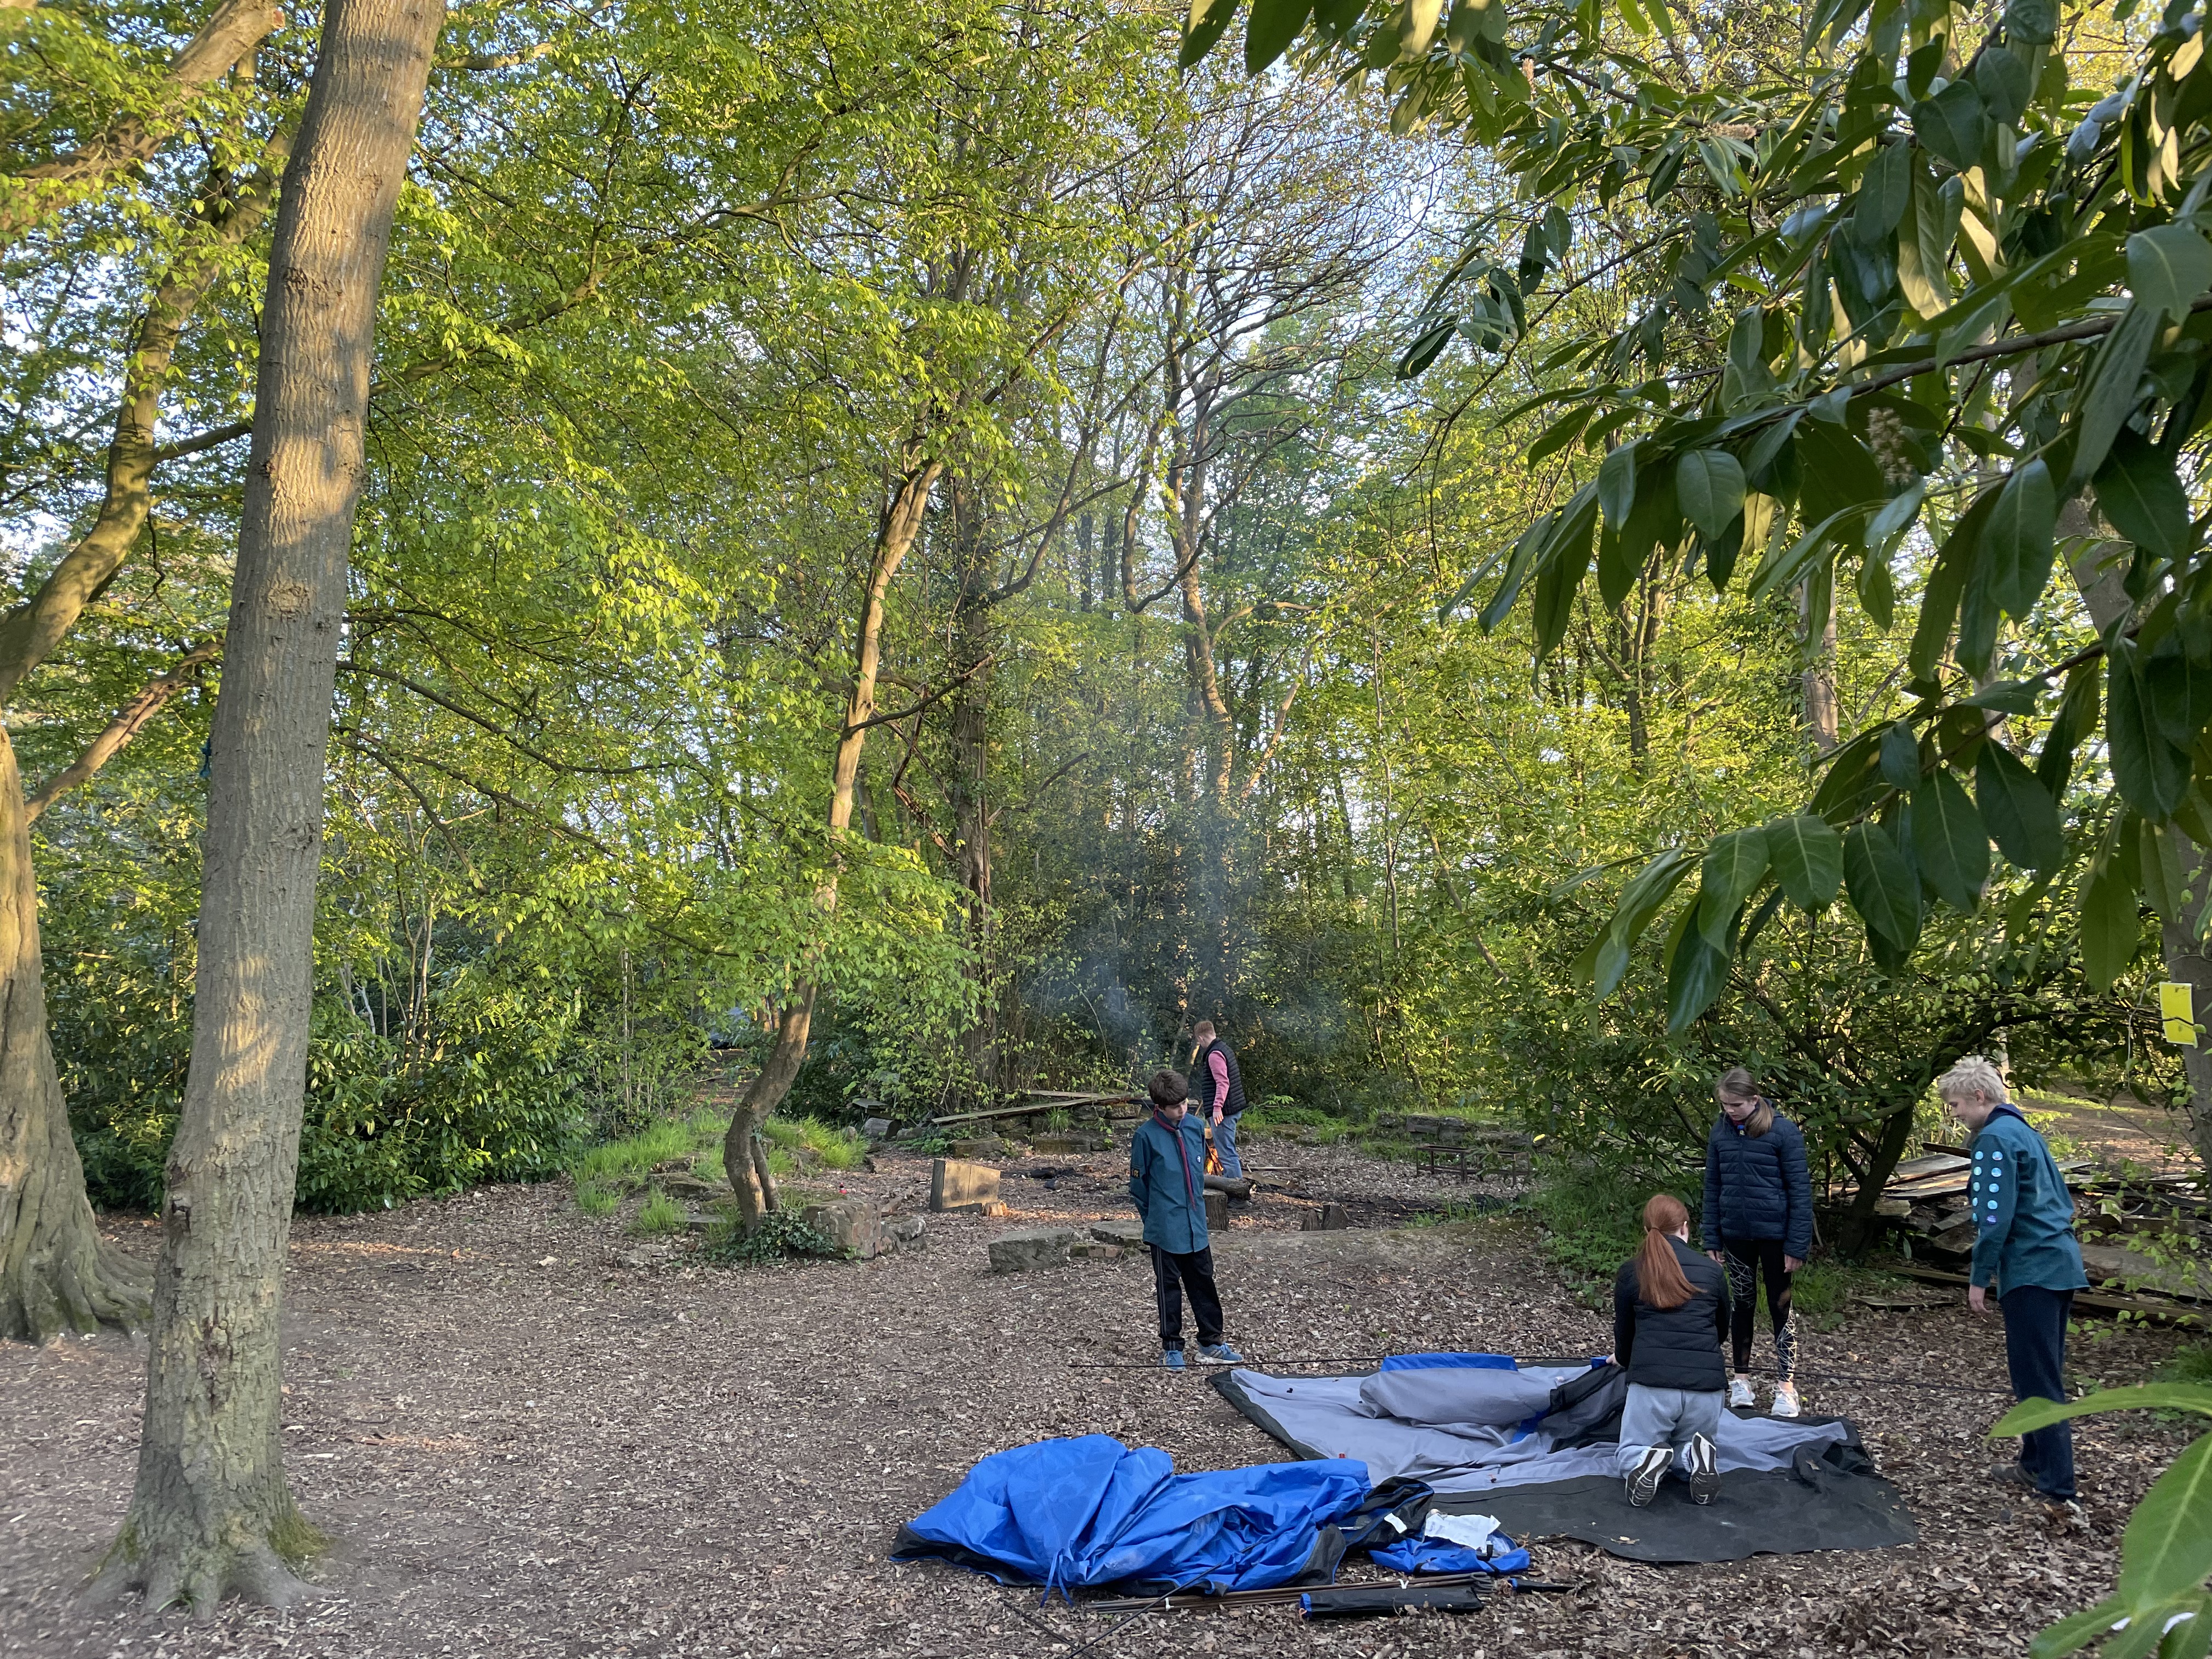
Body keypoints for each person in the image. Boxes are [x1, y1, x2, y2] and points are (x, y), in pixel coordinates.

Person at [1939, 1055, 2089, 1505]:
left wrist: (1979, 1276)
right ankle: (2033, 1462)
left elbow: (1993, 1217)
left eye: (1957, 1105)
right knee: (2035, 1372)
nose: (1956, 1114)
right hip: (2059, 1265)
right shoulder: (2026, 1132)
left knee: (2040, 1381)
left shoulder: (1994, 1140)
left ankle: (2059, 1487)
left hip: (2032, 1269)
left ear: (1980, 1097)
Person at [1701, 1066, 1814, 1417]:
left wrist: (1797, 1245)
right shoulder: (1720, 1132)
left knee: (1781, 1307)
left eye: (1735, 1104)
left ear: (1754, 1099)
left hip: (1777, 1238)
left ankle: (1786, 1388)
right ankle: (1741, 1381)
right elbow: (1712, 1187)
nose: (1729, 1110)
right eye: (1724, 1105)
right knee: (1742, 1304)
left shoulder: (1783, 1132)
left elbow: (1800, 1192)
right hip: (1736, 1234)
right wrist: (1712, 1236)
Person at [1611, 1193, 1730, 1508]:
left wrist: (1621, 1360)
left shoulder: (1631, 1272)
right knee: (1689, 1443)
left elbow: (1625, 1338)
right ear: (1685, 1228)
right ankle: (1694, 1457)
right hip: (1707, 1389)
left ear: (1647, 1229)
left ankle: (1645, 1458)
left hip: (1653, 1385)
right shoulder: (1712, 1272)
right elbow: (1720, 1332)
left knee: (1629, 1453)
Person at [1128, 1069, 1244, 1372]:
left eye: (1185, 1103)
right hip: (1165, 1228)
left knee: (1204, 1282)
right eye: (1176, 1106)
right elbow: (1139, 1187)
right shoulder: (1145, 1136)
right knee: (1169, 1288)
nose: (1182, 1110)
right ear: (1160, 1107)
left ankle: (1211, 1343)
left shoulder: (1195, 1127)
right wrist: (1154, 1219)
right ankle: (1171, 1348)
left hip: (1197, 1224)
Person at [1190, 1019, 1247, 1180]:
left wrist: (1217, 1108)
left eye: (1198, 1041)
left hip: (1224, 1113)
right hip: (1231, 1109)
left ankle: (1237, 1195)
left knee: (1227, 1154)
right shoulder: (1223, 1048)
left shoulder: (1214, 1054)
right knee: (1227, 1152)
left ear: (1201, 1038)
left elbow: (1223, 1082)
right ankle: (1234, 1189)